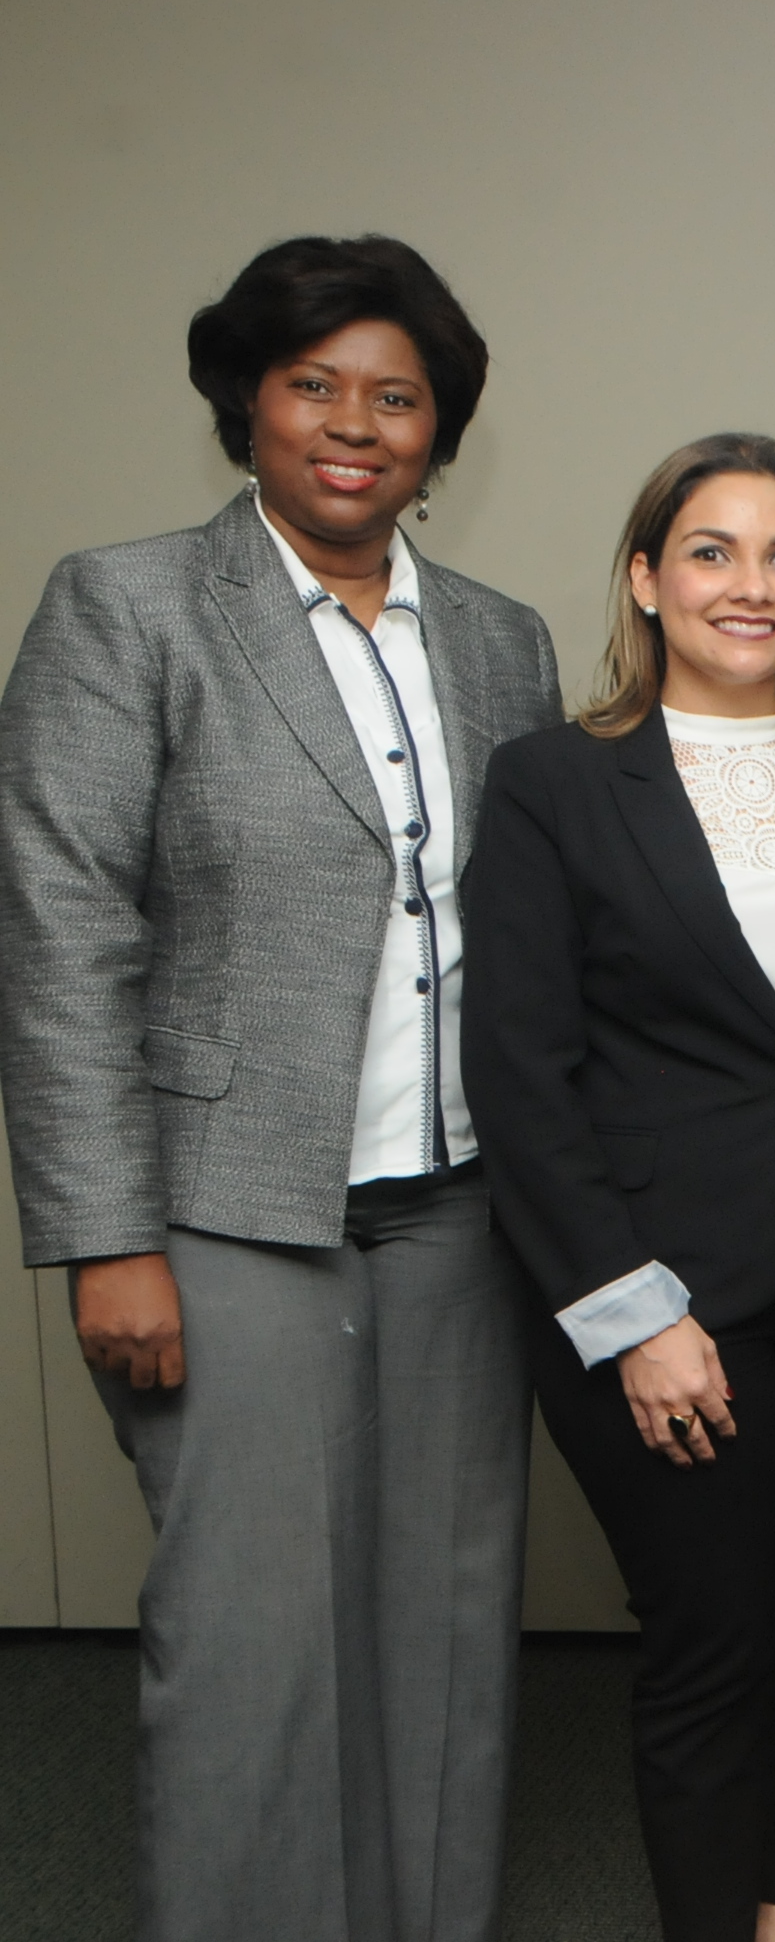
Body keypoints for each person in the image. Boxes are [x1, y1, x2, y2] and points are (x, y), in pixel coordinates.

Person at [0, 235, 558, 1942]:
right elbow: (58, 927)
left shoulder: (498, 642)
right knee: (249, 1647)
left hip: (459, 1218)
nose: (354, 424)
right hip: (225, 1213)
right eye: (314, 383)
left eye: (397, 397)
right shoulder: (130, 606)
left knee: (446, 1632)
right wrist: (107, 1238)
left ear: (439, 435)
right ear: (245, 398)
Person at [464, 433, 775, 1942]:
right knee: (710, 1643)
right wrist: (631, 1318)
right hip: (662, 1292)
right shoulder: (558, 782)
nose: (749, 586)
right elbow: (522, 1070)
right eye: (710, 551)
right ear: (645, 577)